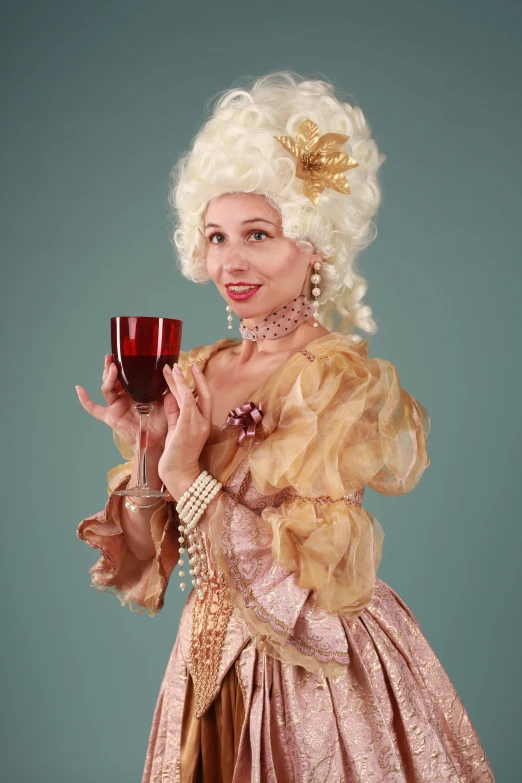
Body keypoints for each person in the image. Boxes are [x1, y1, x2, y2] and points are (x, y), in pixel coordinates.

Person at [76, 71, 495, 782]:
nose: (230, 262)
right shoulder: (198, 369)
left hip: (310, 674)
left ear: (315, 245)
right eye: (215, 237)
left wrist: (186, 472)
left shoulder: (337, 380)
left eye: (258, 235)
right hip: (205, 668)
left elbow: (295, 576)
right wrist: (149, 446)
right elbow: (153, 556)